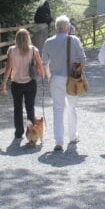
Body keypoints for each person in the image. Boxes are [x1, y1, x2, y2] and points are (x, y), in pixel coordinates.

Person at [42, 15, 87, 151]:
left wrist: (49, 76)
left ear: (56, 28)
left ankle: (59, 141)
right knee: (72, 108)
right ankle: (72, 136)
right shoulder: (74, 40)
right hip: (72, 78)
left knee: (58, 110)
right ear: (68, 27)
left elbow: (45, 62)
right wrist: (78, 73)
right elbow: (83, 60)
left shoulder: (48, 42)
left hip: (56, 78)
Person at [2, 29, 44, 140]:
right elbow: (40, 65)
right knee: (30, 108)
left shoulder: (11, 50)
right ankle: (31, 131)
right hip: (30, 83)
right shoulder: (34, 50)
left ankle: (18, 132)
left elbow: (8, 68)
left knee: (17, 108)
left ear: (16, 39)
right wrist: (43, 75)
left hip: (16, 83)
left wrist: (4, 83)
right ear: (28, 38)